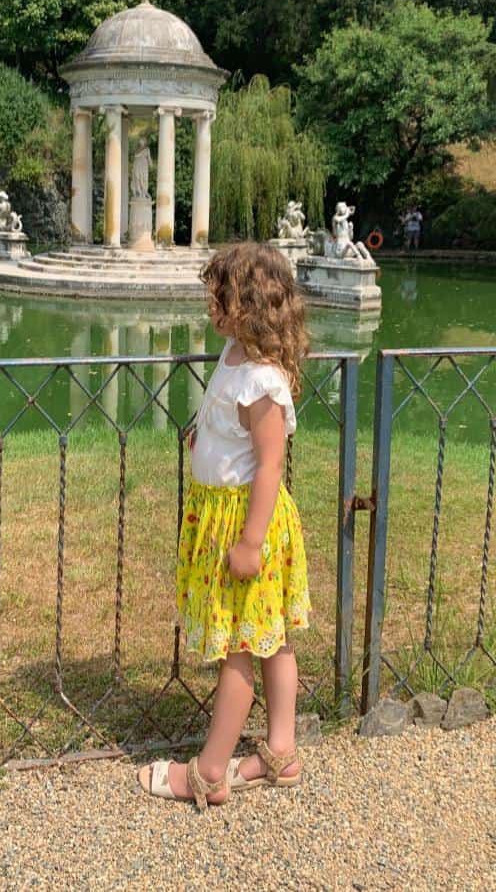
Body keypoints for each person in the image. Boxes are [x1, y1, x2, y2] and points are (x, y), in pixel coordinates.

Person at [137, 243, 311, 809]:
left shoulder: (261, 379)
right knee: (269, 636)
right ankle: (280, 752)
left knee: (240, 644)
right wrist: (203, 436)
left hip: (244, 521)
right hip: (223, 514)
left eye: (219, 294)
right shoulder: (236, 354)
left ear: (249, 303)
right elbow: (230, 426)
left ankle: (210, 772)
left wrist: (251, 542)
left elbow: (269, 464)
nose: (210, 303)